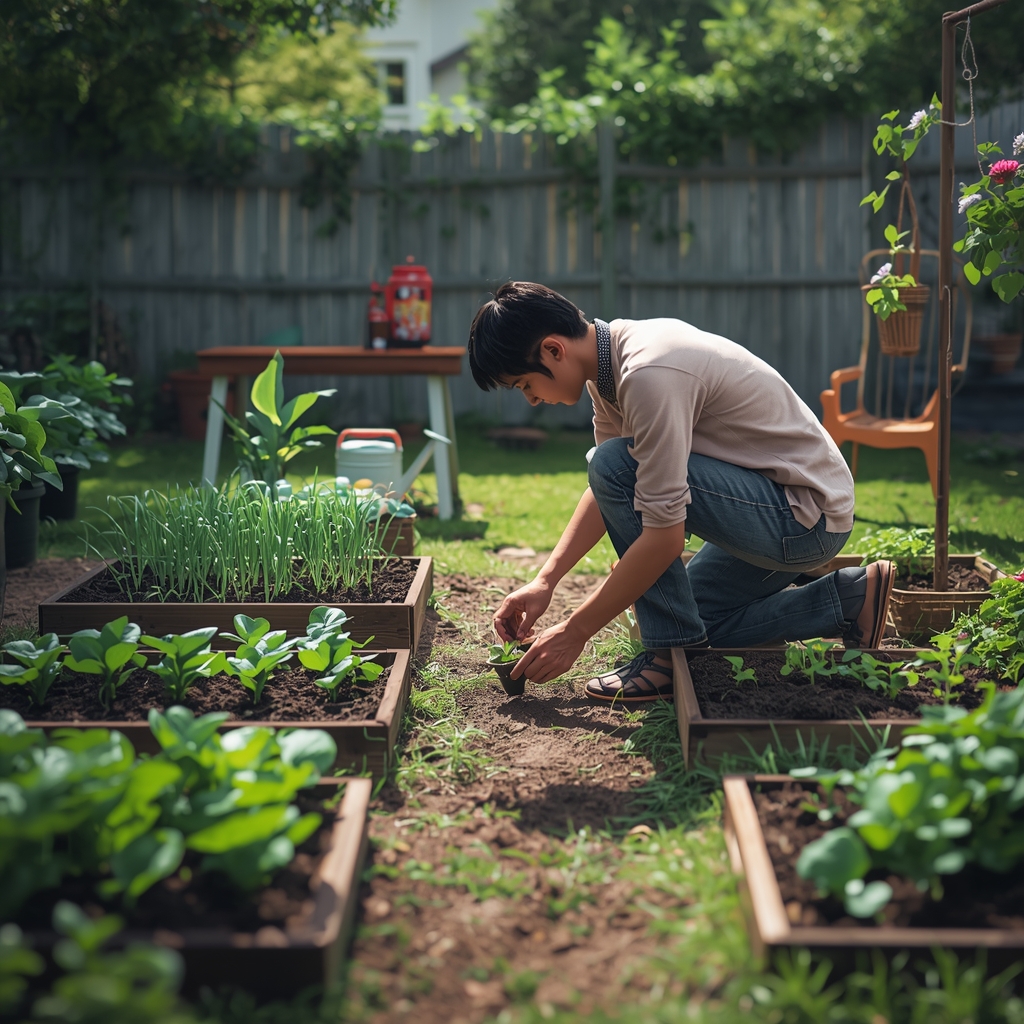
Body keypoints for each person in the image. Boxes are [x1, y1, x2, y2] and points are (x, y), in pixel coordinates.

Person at [468, 281, 896, 704]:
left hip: (801, 517)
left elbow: (659, 530)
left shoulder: (647, 372)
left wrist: (575, 631)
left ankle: (668, 656)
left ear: (553, 350)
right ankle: (847, 599)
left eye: (524, 384)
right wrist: (546, 580)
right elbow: (606, 490)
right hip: (789, 513)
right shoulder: (608, 366)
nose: (532, 401)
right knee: (694, 618)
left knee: (616, 470)